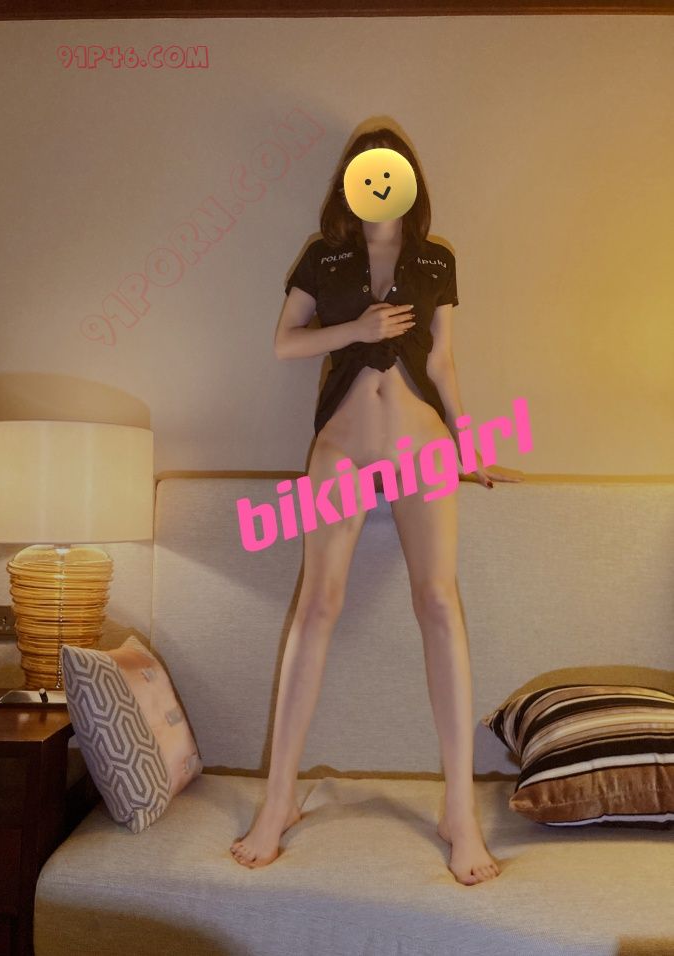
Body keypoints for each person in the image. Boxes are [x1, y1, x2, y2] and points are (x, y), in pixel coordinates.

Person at [230, 126, 524, 885]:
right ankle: (278, 801)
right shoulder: (323, 257)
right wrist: (356, 329)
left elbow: (442, 359)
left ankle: (458, 811)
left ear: (409, 180)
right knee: (316, 604)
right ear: (350, 181)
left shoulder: (436, 259)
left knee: (439, 602)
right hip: (342, 446)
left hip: (422, 447)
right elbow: (284, 343)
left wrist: (469, 444)